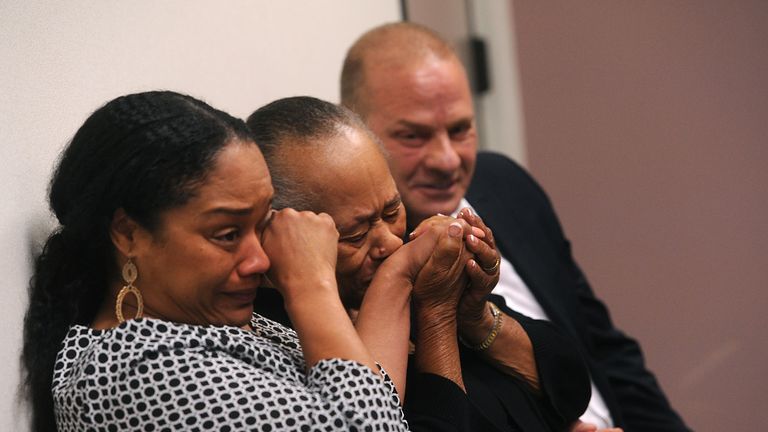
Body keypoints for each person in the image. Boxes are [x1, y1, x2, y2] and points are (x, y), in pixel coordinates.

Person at [340, 22, 690, 431]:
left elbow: (604, 348)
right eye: (413, 136)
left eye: (460, 129)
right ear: (356, 132)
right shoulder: (364, 266)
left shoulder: (505, 185)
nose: (447, 160)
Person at [21, 91, 413, 432]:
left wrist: (404, 272)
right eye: (227, 235)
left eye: (263, 226)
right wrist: (312, 284)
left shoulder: (202, 319)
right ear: (129, 233)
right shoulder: (132, 371)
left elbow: (367, 396)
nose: (260, 261)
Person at [247, 96, 593, 431]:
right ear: (285, 236)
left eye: (392, 211)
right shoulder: (281, 342)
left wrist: (476, 316)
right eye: (354, 235)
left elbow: (571, 387)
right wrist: (437, 315)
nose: (390, 242)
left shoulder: (418, 260)